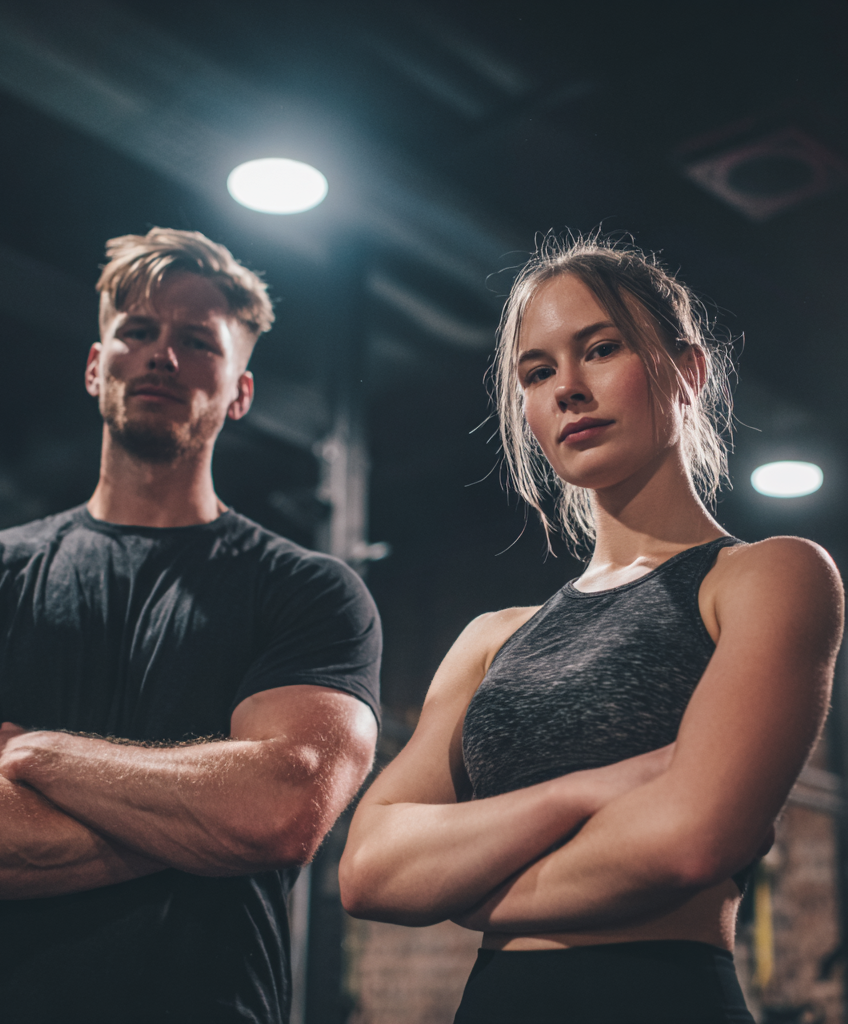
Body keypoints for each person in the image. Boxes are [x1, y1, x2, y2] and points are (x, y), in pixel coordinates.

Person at [0, 228, 381, 1024]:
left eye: (198, 342)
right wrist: (195, 829)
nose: (161, 356)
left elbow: (279, 809)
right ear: (97, 367)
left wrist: (38, 754)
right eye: (137, 331)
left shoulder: (307, 592)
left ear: (240, 392)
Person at [339, 235, 843, 1024]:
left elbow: (691, 841)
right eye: (537, 373)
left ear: (688, 370)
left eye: (600, 350)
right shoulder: (490, 639)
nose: (567, 388)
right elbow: (370, 870)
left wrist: (472, 895)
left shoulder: (766, 578)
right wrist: (602, 786)